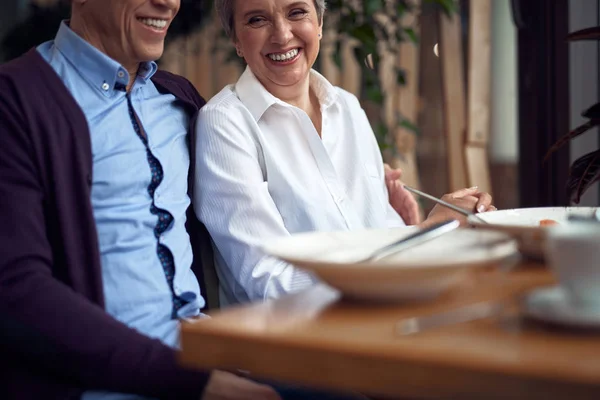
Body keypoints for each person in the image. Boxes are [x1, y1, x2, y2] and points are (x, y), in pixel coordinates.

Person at [0, 0, 340, 399]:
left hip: (212, 359)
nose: (169, 3)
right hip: (109, 383)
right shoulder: (15, 101)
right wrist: (193, 381)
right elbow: (17, 291)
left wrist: (363, 188)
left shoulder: (179, 101)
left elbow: (250, 194)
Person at [194, 0, 495, 306]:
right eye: (257, 20)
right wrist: (424, 233)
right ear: (235, 39)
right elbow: (269, 279)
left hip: (378, 317)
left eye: (297, 12)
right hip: (294, 338)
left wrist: (414, 228)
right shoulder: (225, 122)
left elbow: (379, 234)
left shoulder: (348, 107)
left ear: (320, 23)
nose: (282, 35)